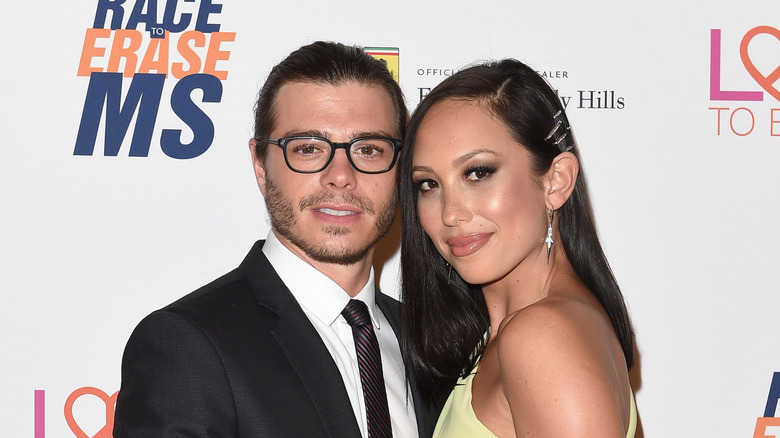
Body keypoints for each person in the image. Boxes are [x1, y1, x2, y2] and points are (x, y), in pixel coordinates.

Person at [114, 41, 438, 438]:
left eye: (369, 149)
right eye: (308, 148)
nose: (341, 175)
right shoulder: (188, 347)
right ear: (261, 165)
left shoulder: (430, 342)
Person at [397, 59, 637, 437]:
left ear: (556, 181)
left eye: (478, 173)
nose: (450, 214)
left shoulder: (542, 336)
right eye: (428, 184)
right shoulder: (507, 334)